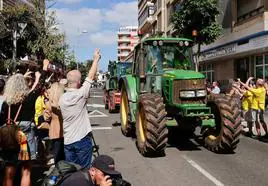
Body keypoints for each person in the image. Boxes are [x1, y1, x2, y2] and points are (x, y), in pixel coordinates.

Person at [0, 59, 49, 186]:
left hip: (9, 137)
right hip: (23, 137)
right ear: (24, 85)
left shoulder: (6, 103)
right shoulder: (29, 99)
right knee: (26, 170)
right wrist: (43, 68)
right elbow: (40, 86)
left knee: (9, 169)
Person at [59, 49, 101, 169]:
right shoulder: (80, 95)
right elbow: (91, 76)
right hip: (82, 140)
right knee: (85, 172)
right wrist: (96, 59)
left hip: (68, 142)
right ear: (78, 82)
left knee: (71, 172)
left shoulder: (62, 99)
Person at [46, 82, 65, 163]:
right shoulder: (64, 102)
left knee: (57, 156)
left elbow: (46, 117)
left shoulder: (49, 103)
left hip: (54, 131)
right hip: (65, 130)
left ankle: (58, 173)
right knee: (65, 155)